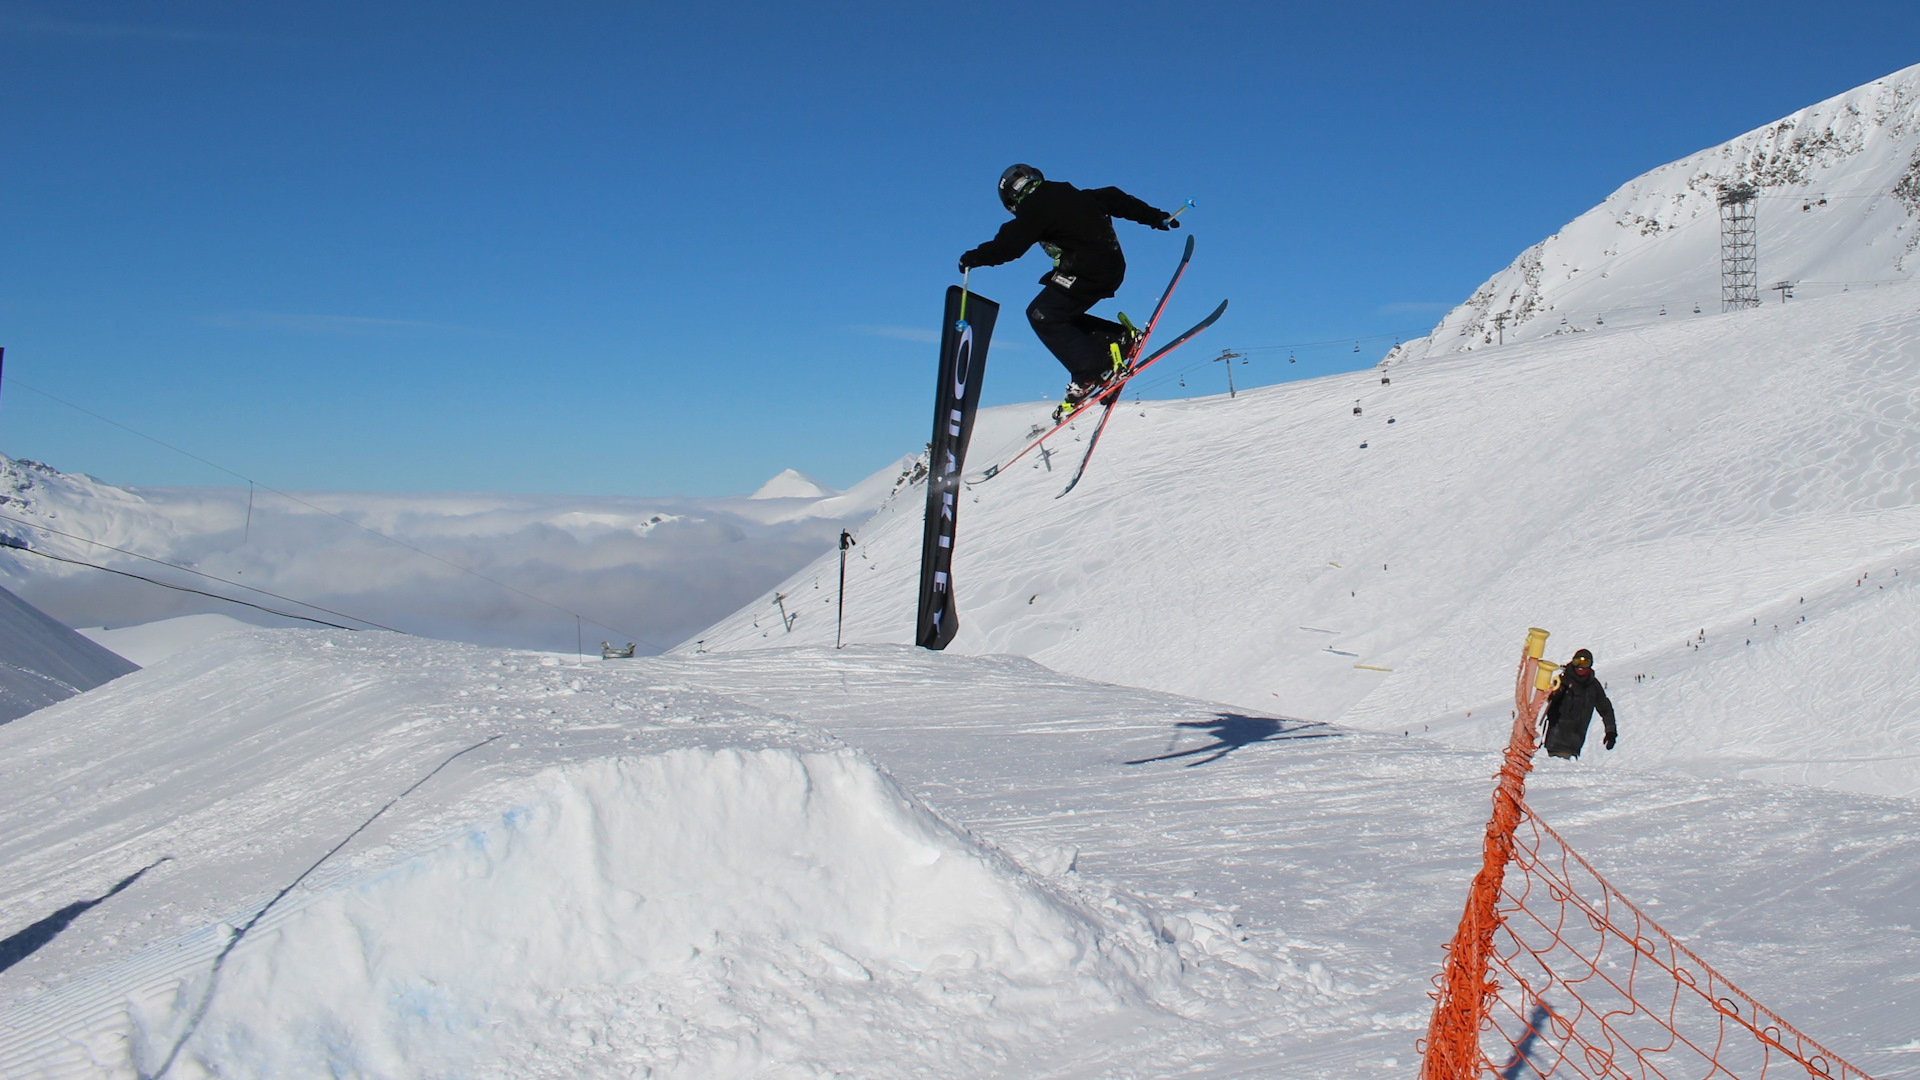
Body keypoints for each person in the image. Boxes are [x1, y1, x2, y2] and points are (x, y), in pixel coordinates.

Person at [957, 164, 1178, 416]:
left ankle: (1090, 372)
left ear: (1012, 197)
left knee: (1042, 314)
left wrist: (973, 258)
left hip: (1084, 271)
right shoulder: (1076, 194)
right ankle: (1116, 339)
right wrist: (1155, 216)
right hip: (1112, 267)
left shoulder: (1033, 207)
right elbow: (1115, 198)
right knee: (1060, 313)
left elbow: (1008, 247)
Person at [1542, 648, 1617, 759]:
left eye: (1585, 663)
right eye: (1578, 662)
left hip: (1575, 742)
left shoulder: (1593, 686)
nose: (1580, 666)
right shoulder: (1564, 679)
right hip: (1556, 740)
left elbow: (1605, 709)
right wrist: (1556, 694)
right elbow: (1548, 698)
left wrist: (1610, 731)